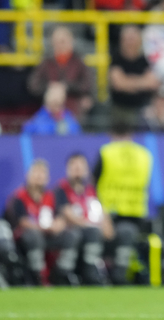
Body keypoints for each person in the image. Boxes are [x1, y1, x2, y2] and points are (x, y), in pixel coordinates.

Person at [94, 121, 153, 284]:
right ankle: (121, 272)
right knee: (128, 238)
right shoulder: (145, 155)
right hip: (137, 213)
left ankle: (111, 275)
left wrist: (101, 215)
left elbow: (93, 185)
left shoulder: (106, 152)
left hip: (109, 213)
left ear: (111, 134)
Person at [4, 160, 78, 285]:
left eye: (42, 173)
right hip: (26, 237)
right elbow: (23, 222)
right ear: (28, 176)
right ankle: (37, 276)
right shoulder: (19, 196)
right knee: (34, 236)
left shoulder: (51, 196)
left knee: (72, 236)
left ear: (47, 178)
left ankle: (61, 273)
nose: (39, 176)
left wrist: (58, 225)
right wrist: (42, 228)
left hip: (49, 235)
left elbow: (60, 216)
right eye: (36, 173)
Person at [54, 153, 114, 285]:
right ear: (67, 169)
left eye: (81, 165)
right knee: (79, 234)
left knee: (112, 234)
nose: (78, 169)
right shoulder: (61, 190)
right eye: (74, 165)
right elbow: (67, 214)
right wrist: (92, 226)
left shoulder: (93, 190)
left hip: (92, 230)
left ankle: (96, 270)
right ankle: (64, 273)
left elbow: (103, 212)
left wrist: (106, 226)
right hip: (70, 231)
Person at [28, 26, 93, 118]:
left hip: (73, 110)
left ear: (71, 41)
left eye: (62, 41)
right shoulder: (46, 62)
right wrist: (51, 86)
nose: (60, 45)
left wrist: (66, 87)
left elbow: (87, 84)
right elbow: (33, 85)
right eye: (56, 42)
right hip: (49, 112)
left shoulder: (79, 62)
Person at [109, 25, 160, 129]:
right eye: (127, 39)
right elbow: (118, 84)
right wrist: (141, 82)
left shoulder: (145, 60)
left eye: (133, 39)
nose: (130, 43)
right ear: (121, 41)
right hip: (121, 108)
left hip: (143, 108)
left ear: (139, 41)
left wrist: (128, 82)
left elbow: (152, 83)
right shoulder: (116, 59)